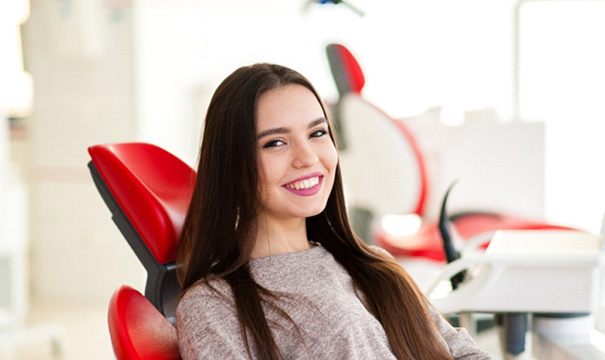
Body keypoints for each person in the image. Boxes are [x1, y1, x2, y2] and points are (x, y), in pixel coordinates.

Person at [176, 63, 491, 360]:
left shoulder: (375, 266)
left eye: (317, 133)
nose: (308, 158)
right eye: (275, 143)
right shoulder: (213, 306)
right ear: (232, 165)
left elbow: (463, 353)